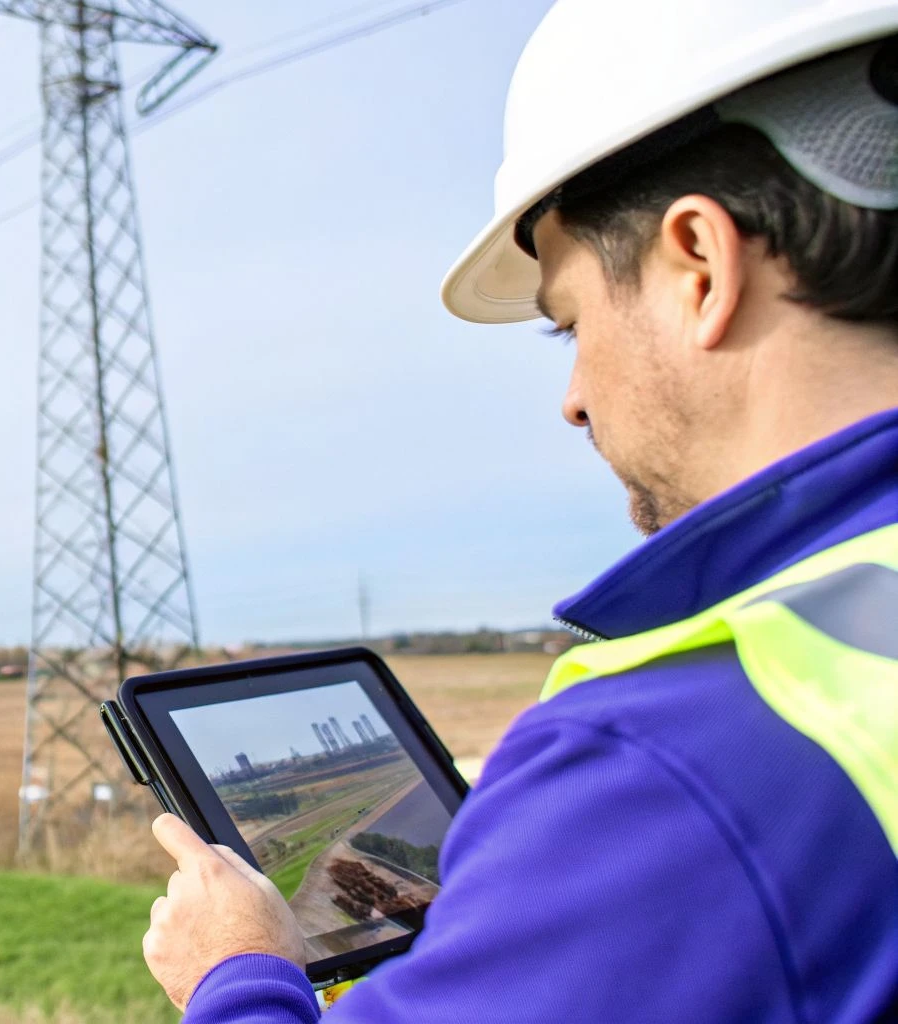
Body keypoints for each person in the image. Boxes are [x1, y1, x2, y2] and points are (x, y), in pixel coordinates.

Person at [140, 1, 898, 1020]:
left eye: (568, 323)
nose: (572, 396)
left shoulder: (668, 763)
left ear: (698, 265)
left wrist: (235, 972)